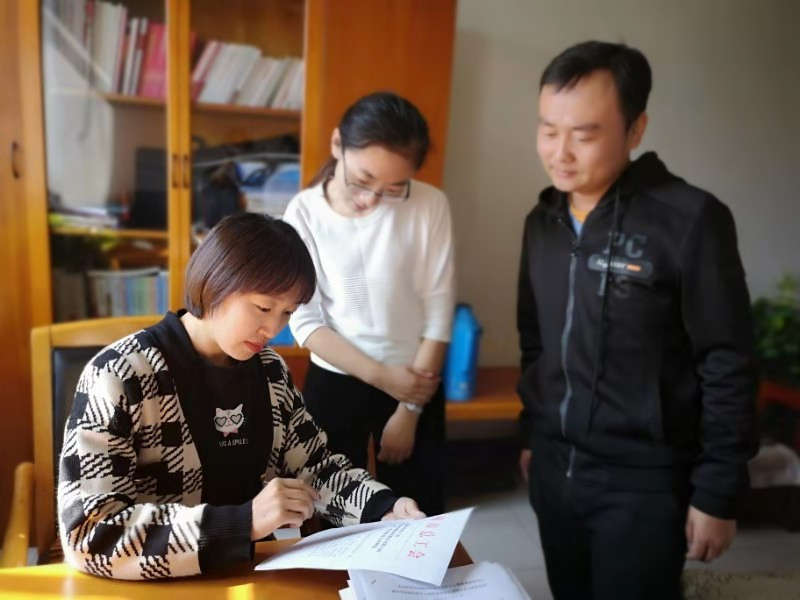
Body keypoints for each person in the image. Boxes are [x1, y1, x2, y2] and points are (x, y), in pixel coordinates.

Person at [57, 213, 425, 581]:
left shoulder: (269, 371)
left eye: (287, 313)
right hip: (151, 587)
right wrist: (243, 523)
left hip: (250, 575)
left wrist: (383, 508)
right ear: (215, 282)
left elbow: (315, 468)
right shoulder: (119, 374)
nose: (273, 328)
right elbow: (88, 534)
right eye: (263, 308)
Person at [516, 41, 758, 599]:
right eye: (548, 130)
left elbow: (727, 360)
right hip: (554, 470)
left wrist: (718, 491)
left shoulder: (690, 219)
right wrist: (533, 435)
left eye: (584, 134)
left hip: (643, 484)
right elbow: (536, 340)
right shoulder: (542, 221)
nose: (560, 153)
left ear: (635, 128)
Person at [283, 92, 455, 517]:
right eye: (362, 180)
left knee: (419, 514)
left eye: (394, 188)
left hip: (415, 380)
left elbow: (439, 311)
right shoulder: (304, 212)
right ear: (337, 145)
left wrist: (409, 409)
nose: (372, 200)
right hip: (337, 380)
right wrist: (382, 377)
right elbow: (305, 321)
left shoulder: (430, 204)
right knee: (332, 512)